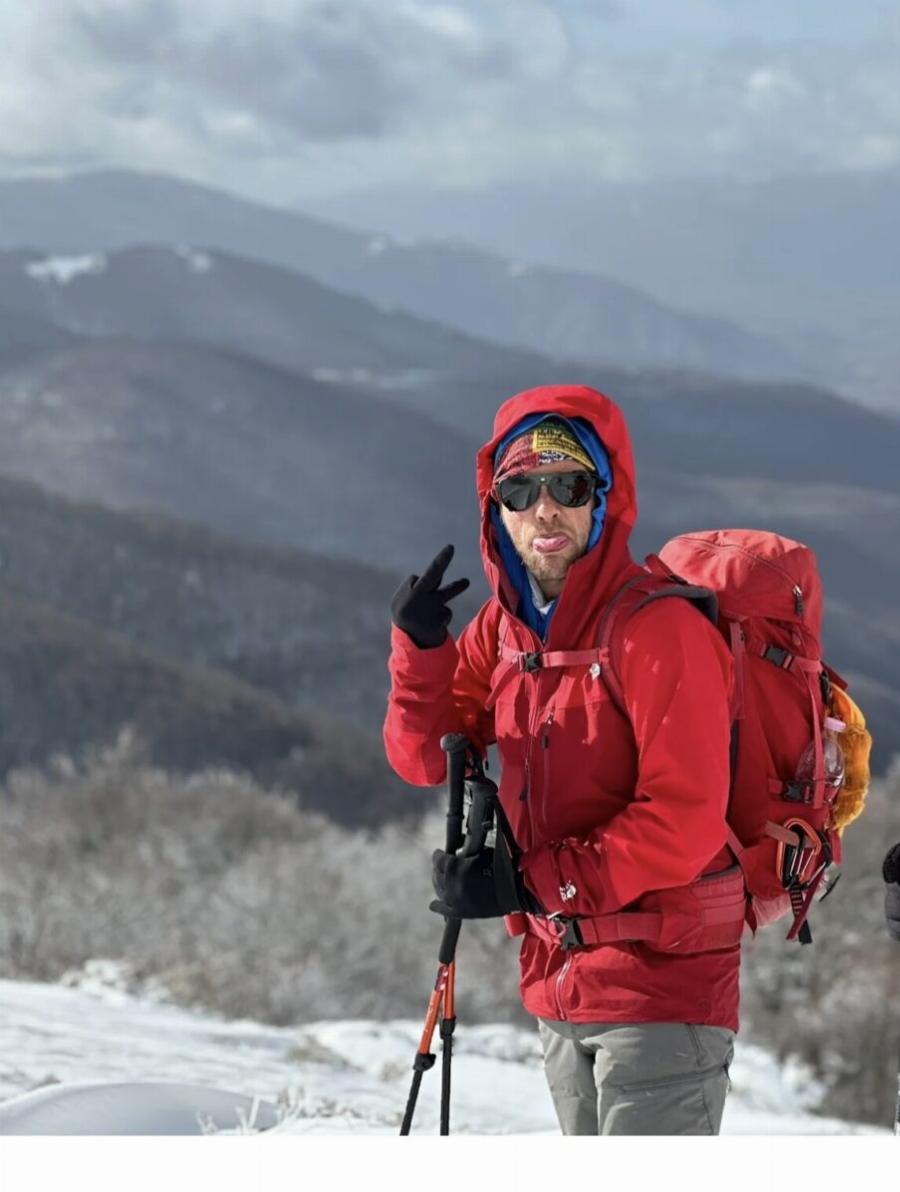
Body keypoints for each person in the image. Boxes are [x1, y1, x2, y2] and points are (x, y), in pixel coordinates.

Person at [384, 383, 738, 1136]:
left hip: (662, 984)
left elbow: (685, 819)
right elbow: (424, 758)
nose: (545, 509)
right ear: (497, 510)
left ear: (602, 499)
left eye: (568, 485)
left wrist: (529, 880)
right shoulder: (504, 632)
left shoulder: (659, 631)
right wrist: (420, 653)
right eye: (520, 489)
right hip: (558, 979)